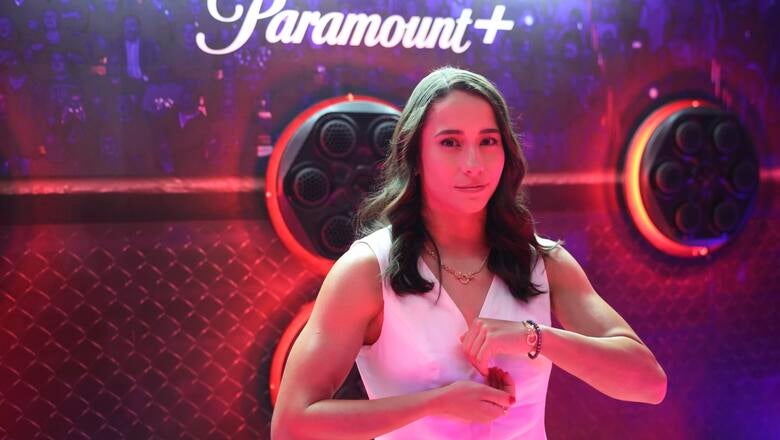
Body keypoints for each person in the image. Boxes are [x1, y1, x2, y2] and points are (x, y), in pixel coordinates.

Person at [271, 67, 667, 439]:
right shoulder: (367, 269)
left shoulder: (544, 263)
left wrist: (535, 338)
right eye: (451, 143)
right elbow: (291, 424)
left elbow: (649, 384)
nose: (473, 164)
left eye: (488, 141)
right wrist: (434, 403)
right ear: (415, 155)